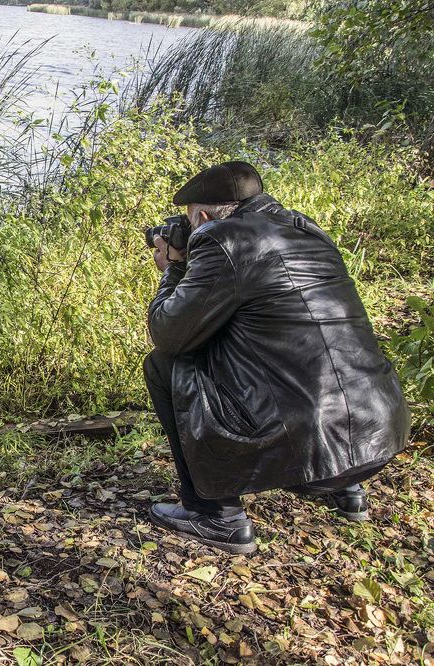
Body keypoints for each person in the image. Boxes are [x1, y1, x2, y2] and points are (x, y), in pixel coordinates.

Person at [144, 161, 410, 554]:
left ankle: (216, 516)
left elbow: (170, 334)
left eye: (190, 221)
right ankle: (348, 492)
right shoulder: (306, 228)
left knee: (164, 365)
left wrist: (173, 268)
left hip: (313, 446)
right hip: (378, 434)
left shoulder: (222, 238)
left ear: (202, 215)